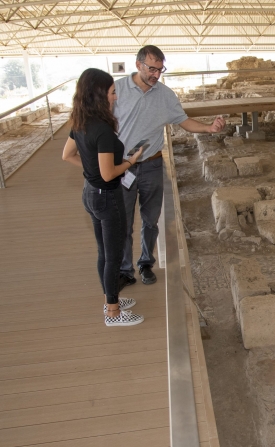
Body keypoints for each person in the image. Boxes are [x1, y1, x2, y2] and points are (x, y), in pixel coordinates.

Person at [115, 45, 225, 289]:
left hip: (152, 165)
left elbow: (183, 121)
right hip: (122, 167)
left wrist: (209, 127)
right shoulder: (118, 90)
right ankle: (124, 269)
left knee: (150, 219)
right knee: (122, 221)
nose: (156, 74)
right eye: (151, 69)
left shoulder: (165, 95)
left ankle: (146, 263)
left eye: (160, 70)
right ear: (138, 65)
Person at [62, 68, 145, 327]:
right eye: (112, 92)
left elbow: (67, 155)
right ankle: (113, 312)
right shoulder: (103, 130)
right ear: (99, 95)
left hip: (89, 193)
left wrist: (92, 172)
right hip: (107, 198)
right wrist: (130, 161)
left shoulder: (79, 121)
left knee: (103, 252)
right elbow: (109, 173)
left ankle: (111, 298)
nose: (115, 97)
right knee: (113, 255)